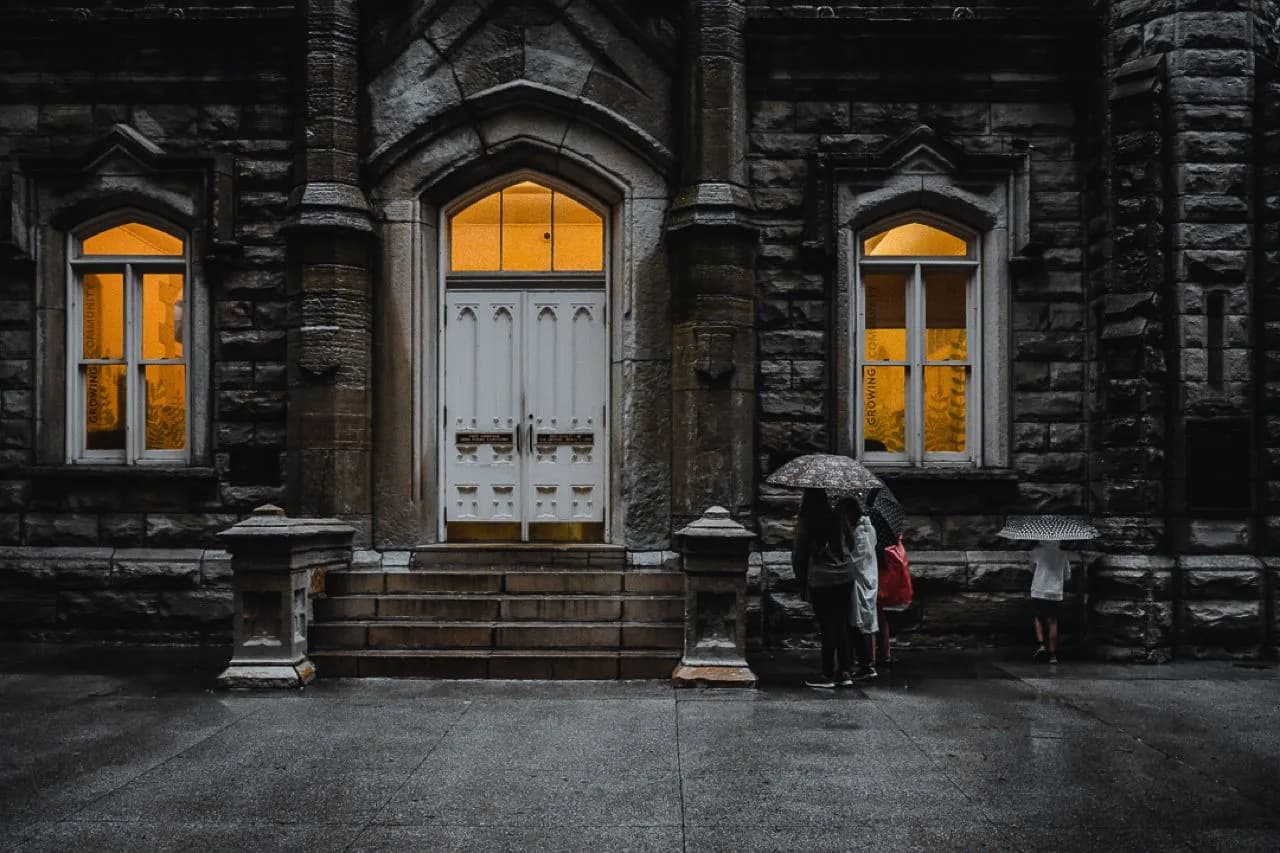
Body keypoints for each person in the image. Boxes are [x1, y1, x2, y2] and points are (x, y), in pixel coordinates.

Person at [792, 489, 862, 689]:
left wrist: (802, 577)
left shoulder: (807, 520)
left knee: (828, 625)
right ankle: (845, 671)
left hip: (822, 578)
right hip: (845, 576)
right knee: (841, 623)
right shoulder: (838, 514)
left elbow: (799, 553)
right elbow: (852, 543)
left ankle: (827, 673)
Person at [1030, 539, 1068, 664]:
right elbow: (1067, 575)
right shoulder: (1062, 554)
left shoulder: (1036, 552)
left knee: (1038, 617)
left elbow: (1032, 569)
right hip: (1055, 593)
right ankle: (1052, 655)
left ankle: (1041, 645)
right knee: (1053, 622)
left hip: (1039, 590)